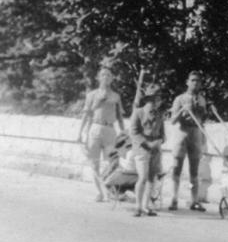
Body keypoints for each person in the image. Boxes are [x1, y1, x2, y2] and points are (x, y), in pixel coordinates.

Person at [77, 67, 125, 202]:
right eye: (103, 75)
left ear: (112, 79)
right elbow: (86, 114)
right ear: (98, 78)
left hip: (110, 129)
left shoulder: (116, 96)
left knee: (113, 163)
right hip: (95, 128)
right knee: (94, 163)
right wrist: (80, 133)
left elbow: (120, 116)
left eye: (109, 75)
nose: (106, 77)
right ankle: (99, 192)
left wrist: (123, 131)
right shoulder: (91, 95)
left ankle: (111, 191)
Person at [168, 71, 208, 212]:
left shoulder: (202, 99)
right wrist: (182, 111)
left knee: (194, 170)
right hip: (182, 132)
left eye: (198, 81)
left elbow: (203, 120)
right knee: (177, 167)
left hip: (195, 133)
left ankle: (194, 200)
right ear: (187, 82)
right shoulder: (179, 99)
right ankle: (174, 198)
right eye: (192, 80)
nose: (195, 83)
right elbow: (172, 120)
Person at [130, 84, 165, 217]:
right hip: (142, 149)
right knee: (143, 177)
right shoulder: (138, 112)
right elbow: (133, 132)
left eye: (158, 99)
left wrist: (159, 142)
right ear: (147, 100)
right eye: (153, 99)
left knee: (152, 178)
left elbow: (163, 134)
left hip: (155, 150)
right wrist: (147, 144)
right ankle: (137, 206)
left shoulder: (160, 115)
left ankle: (146, 206)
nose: (156, 102)